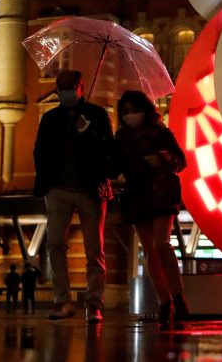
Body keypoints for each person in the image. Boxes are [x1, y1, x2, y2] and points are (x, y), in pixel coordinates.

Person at [33, 69, 113, 323]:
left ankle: (94, 303)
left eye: (70, 87)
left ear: (81, 87)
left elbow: (109, 150)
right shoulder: (50, 118)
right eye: (61, 87)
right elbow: (40, 151)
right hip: (58, 189)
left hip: (91, 189)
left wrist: (87, 132)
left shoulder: (97, 115)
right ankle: (62, 300)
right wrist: (45, 184)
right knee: (55, 243)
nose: (65, 92)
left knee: (94, 249)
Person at [112, 90, 189, 326]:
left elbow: (180, 160)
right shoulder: (120, 138)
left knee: (160, 244)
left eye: (134, 110)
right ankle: (165, 303)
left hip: (160, 192)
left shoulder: (161, 133)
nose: (130, 115)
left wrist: (162, 158)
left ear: (145, 110)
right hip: (136, 195)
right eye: (125, 112)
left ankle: (177, 298)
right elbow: (114, 167)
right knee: (150, 251)